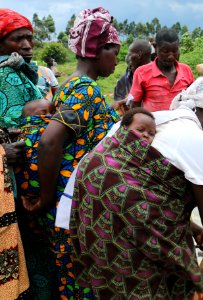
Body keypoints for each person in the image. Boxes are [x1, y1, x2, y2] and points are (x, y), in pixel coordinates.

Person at [71, 75, 203, 299]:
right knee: (143, 276)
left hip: (92, 190)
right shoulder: (198, 140)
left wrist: (194, 230)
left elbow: (158, 193)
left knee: (109, 266)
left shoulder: (159, 118)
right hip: (121, 204)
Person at [21, 7, 120, 299]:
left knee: (71, 278)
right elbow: (51, 141)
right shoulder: (85, 89)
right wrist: (47, 198)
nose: (116, 61)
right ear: (100, 50)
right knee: (81, 283)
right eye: (115, 52)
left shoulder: (68, 87)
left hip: (70, 205)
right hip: (72, 207)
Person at [0, 8, 45, 299]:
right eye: (19, 39)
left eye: (30, 38)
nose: (27, 45)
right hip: (17, 179)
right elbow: (23, 129)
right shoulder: (10, 77)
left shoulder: (21, 71)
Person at [128, 28, 194, 111]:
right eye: (165, 51)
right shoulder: (142, 73)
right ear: (155, 48)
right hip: (154, 123)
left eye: (174, 51)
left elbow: (193, 100)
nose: (171, 56)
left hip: (182, 121)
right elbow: (135, 106)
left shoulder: (186, 70)